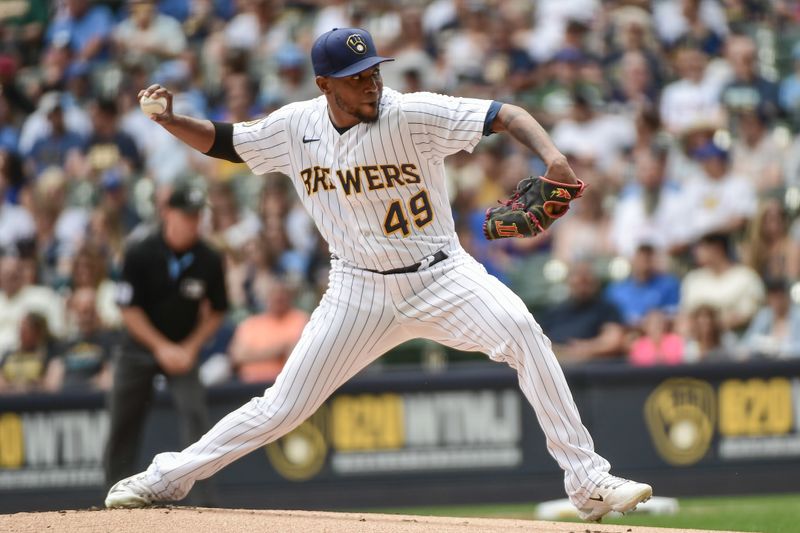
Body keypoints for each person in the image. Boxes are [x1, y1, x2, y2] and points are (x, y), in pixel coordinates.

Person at [105, 27, 652, 522]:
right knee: (282, 407)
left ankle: (588, 482)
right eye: (355, 78)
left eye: (373, 72)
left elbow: (503, 113)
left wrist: (554, 159)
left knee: (524, 333)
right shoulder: (296, 127)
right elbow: (227, 141)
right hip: (356, 289)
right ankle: (165, 479)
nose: (370, 84)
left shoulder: (411, 113)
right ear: (324, 84)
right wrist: (172, 121)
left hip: (441, 277)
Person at [104, 183, 228, 505]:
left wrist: (190, 346)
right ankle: (116, 495)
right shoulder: (140, 250)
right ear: (166, 212)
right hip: (138, 348)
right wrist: (161, 347)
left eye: (198, 214)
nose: (193, 221)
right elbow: (128, 309)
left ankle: (202, 503)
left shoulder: (209, 257)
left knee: (196, 416)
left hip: (183, 347)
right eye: (187, 214)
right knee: (122, 421)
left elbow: (217, 311)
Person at [228, 277, 309, 384]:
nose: (278, 297)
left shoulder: (301, 319)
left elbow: (299, 356)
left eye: (283, 293)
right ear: (267, 297)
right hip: (247, 385)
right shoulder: (251, 323)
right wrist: (278, 350)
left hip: (286, 384)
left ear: (290, 297)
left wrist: (252, 354)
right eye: (274, 293)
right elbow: (236, 357)